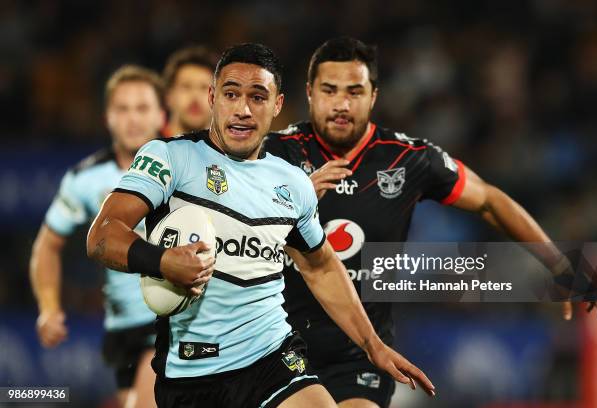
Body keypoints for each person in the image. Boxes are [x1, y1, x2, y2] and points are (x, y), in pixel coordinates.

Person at [263, 37, 597, 408]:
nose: (342, 104)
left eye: (355, 91)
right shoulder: (273, 154)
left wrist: (558, 264)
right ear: (310, 93)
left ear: (374, 95)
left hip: (362, 354)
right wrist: (290, 202)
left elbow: (490, 201)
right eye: (329, 90)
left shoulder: (409, 158)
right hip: (281, 346)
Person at [86, 43, 435, 408]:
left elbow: (320, 265)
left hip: (271, 357)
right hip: (191, 370)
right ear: (213, 97)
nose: (243, 109)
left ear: (278, 105)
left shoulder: (293, 183)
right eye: (231, 94)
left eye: (258, 96)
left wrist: (372, 345)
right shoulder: (171, 158)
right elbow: (102, 235)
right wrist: (161, 261)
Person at [30, 65, 166, 408]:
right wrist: (49, 308)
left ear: (161, 114)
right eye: (122, 109)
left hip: (174, 320)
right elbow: (48, 244)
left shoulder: (187, 167)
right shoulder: (85, 179)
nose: (132, 118)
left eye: (142, 108)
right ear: (108, 117)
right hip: (123, 330)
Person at [162, 45, 218, 137]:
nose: (195, 96)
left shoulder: (232, 149)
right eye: (186, 86)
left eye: (204, 87)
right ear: (168, 96)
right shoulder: (147, 148)